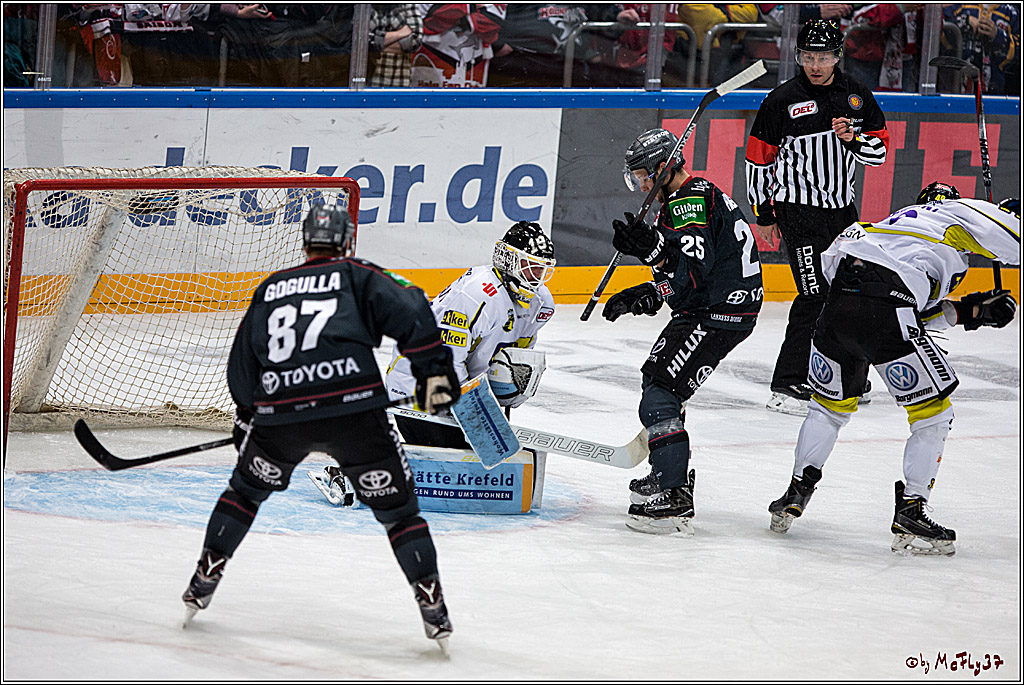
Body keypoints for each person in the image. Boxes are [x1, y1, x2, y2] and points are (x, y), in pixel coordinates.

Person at [181, 204, 462, 652]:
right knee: (400, 516)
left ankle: (205, 576)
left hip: (282, 418)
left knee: (244, 494)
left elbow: (243, 362)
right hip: (355, 416)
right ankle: (432, 603)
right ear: (346, 240)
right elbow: (413, 304)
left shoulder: (271, 288)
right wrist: (435, 374)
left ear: (305, 241)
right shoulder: (358, 274)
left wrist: (246, 417)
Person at [766, 184, 1020, 557]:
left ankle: (796, 490)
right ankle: (911, 510)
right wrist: (1011, 214)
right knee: (933, 416)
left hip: (837, 306)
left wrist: (972, 313)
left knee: (828, 408)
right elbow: (1012, 236)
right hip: (886, 305)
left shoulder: (888, 225)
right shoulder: (954, 213)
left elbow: (902, 306)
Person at [604, 128, 763, 535]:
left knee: (660, 394)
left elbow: (688, 278)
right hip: (718, 306)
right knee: (661, 383)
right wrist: (651, 251)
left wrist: (648, 279)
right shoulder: (689, 196)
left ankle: (673, 494)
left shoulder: (688, 202)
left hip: (716, 310)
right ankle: (669, 471)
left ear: (662, 168)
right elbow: (680, 268)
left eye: (642, 175)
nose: (639, 184)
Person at [745, 18, 889, 415]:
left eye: (823, 56)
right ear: (799, 57)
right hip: (797, 211)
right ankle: (788, 383)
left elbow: (879, 153)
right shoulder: (781, 100)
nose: (815, 64)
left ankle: (850, 379)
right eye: (808, 56)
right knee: (813, 295)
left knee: (851, 293)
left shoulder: (857, 96)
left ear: (837, 57)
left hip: (843, 214)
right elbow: (757, 160)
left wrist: (853, 138)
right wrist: (764, 213)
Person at [384, 221, 557, 448]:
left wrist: (504, 393)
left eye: (542, 268)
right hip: (419, 387)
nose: (537, 275)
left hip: (466, 389)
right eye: (531, 266)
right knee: (450, 466)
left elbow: (518, 357)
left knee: (489, 466)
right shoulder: (476, 294)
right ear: (510, 260)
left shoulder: (541, 303)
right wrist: (474, 411)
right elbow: (445, 359)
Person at [410, 3, 506, 87]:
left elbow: (493, 22)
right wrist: (471, 6)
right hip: (431, 53)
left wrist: (454, 12)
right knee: (428, 102)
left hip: (475, 58)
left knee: (471, 104)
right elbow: (430, 21)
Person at [367, 3, 423, 87]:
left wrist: (375, 44)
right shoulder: (365, 6)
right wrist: (400, 33)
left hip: (400, 81)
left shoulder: (408, 4)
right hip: (370, 81)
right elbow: (361, 40)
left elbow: (415, 41)